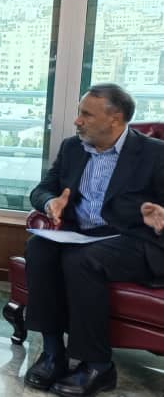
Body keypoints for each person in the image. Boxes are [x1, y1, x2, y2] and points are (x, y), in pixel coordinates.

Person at [23, 83, 164, 397]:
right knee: (39, 248)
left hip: (133, 239)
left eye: (86, 114)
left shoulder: (154, 154)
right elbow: (41, 190)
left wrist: (161, 217)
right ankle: (52, 353)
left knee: (83, 260)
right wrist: (50, 202)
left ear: (115, 119)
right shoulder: (73, 148)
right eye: (79, 113)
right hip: (83, 234)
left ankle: (98, 365)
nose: (77, 121)